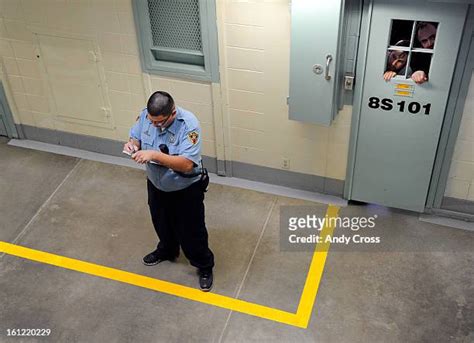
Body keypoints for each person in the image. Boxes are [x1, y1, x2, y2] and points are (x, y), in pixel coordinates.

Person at [123, 91, 215, 292]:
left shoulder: (189, 126)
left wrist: (153, 154)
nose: (155, 125)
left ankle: (204, 265)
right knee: (161, 222)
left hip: (184, 189)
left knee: (191, 231)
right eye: (151, 121)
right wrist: (133, 145)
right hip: (156, 185)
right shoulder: (146, 116)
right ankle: (167, 250)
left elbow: (186, 164)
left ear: (172, 113)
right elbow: (136, 135)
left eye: (160, 122)